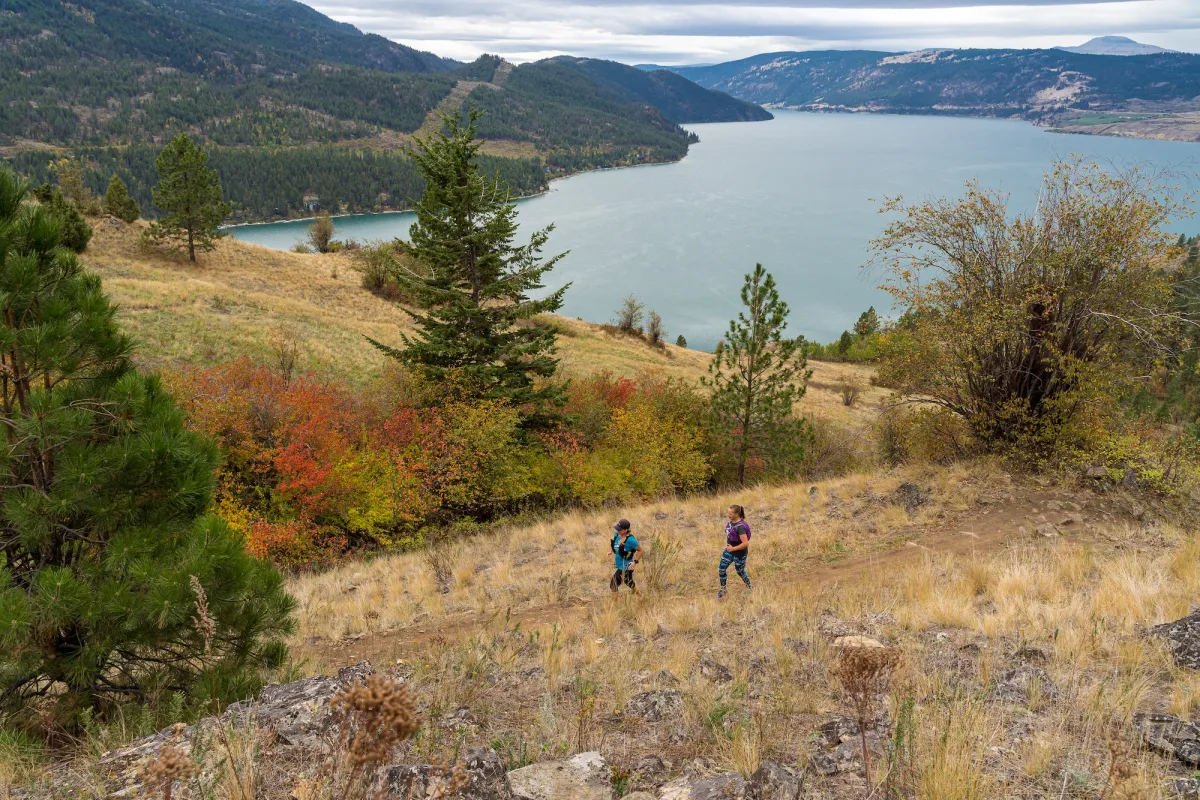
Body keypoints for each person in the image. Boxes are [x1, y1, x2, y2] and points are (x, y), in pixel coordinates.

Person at [718, 504, 752, 599]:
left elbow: (745, 543)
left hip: (739, 553)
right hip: (729, 551)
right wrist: (730, 548)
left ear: (737, 514)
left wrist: (733, 548)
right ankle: (723, 590)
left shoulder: (740, 527)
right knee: (721, 569)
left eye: (730, 513)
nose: (728, 515)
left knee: (740, 571)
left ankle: (750, 587)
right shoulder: (731, 522)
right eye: (728, 513)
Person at [610, 519, 642, 596]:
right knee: (629, 582)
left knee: (613, 584)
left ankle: (613, 606)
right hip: (620, 564)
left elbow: (641, 550)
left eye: (619, 529)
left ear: (625, 530)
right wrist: (611, 550)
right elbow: (614, 543)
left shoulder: (631, 540)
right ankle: (640, 597)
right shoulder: (616, 534)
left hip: (627, 566)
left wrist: (635, 562)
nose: (617, 530)